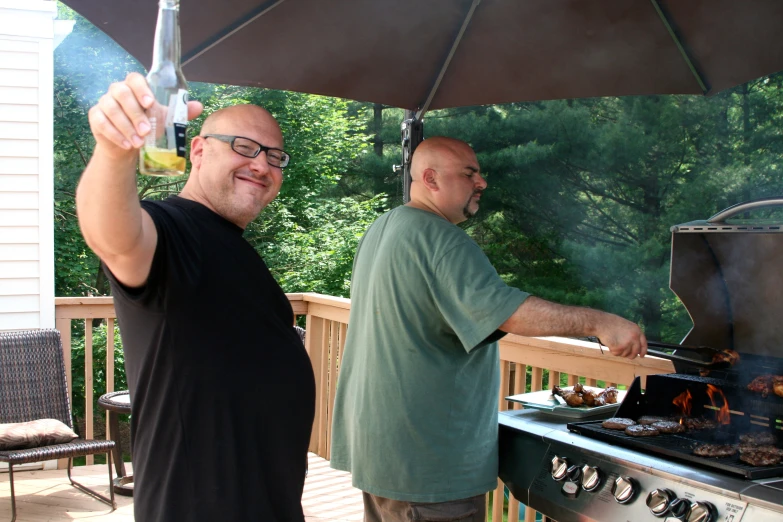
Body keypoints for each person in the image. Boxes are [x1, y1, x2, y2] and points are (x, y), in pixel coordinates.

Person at [329, 136, 647, 522]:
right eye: (469, 173)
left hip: (380, 446)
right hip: (429, 462)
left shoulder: (386, 227)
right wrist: (600, 322)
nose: (482, 182)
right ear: (430, 178)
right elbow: (508, 313)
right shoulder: (442, 239)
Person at [75, 72, 315, 522]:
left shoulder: (233, 246)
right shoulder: (172, 230)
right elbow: (114, 237)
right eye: (244, 147)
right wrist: (114, 151)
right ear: (199, 151)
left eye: (275, 156)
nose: (262, 165)